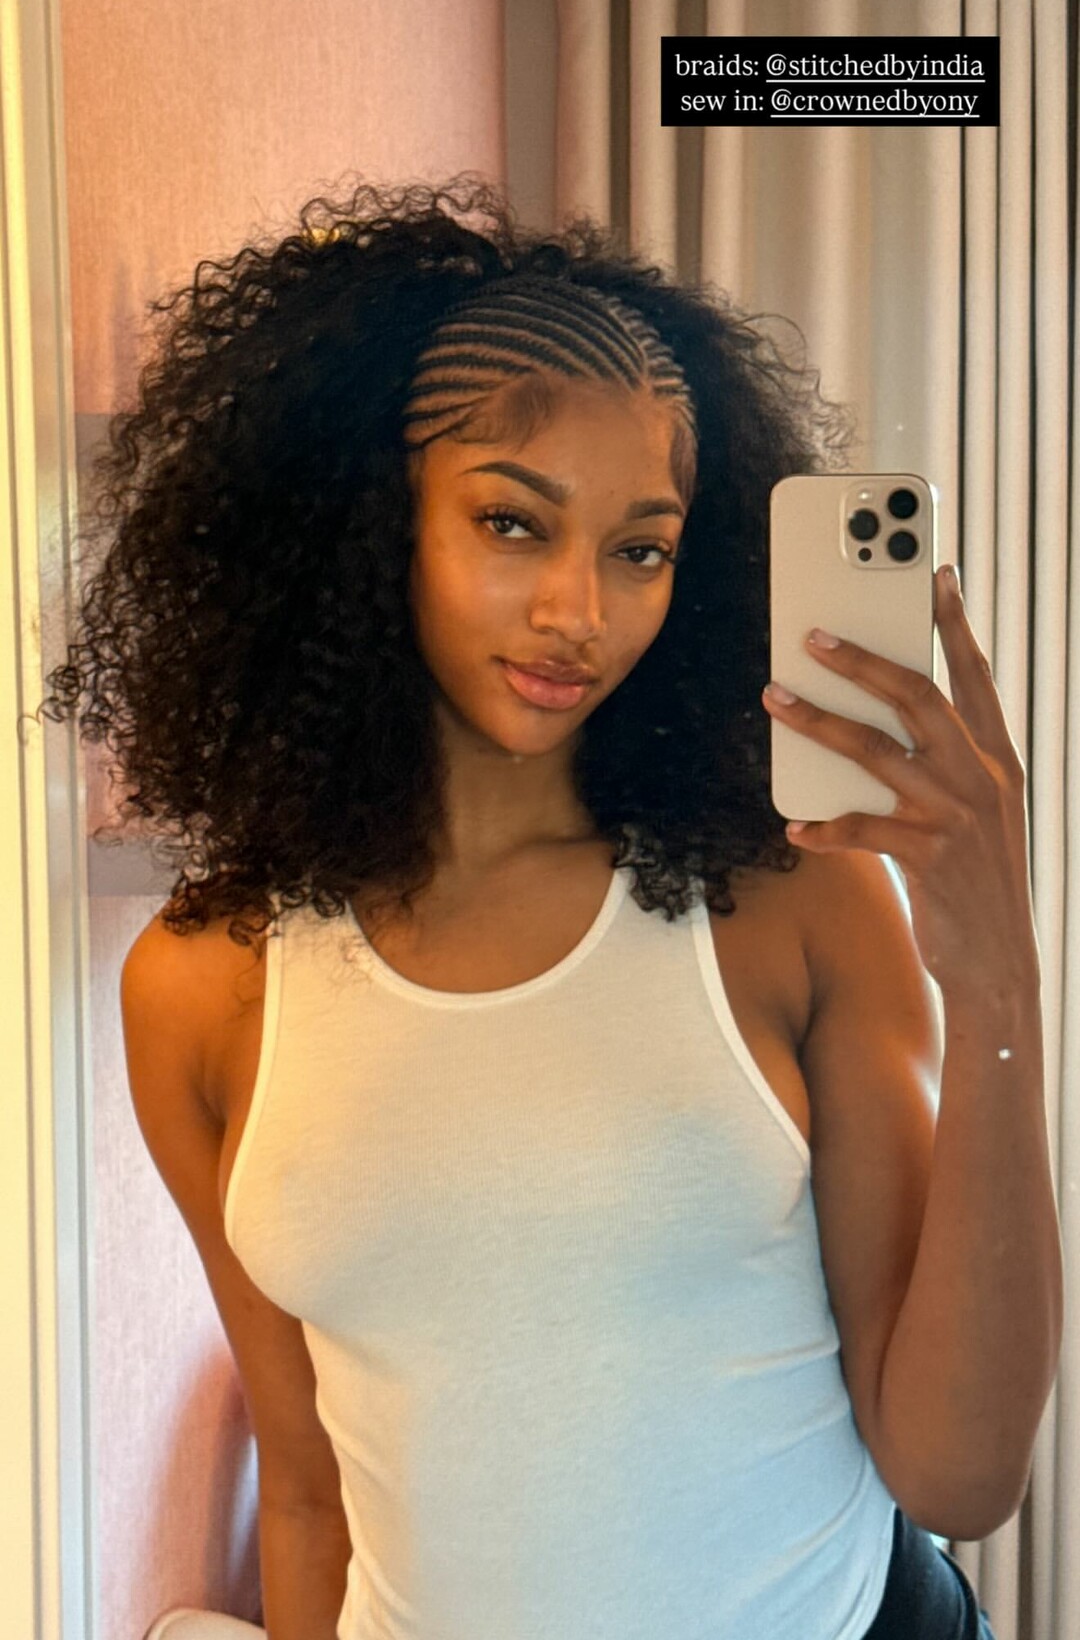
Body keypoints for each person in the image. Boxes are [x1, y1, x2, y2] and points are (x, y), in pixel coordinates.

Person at [42, 176, 1059, 1639]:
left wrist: (1000, 984)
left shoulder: (792, 903)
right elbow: (311, 1487)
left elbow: (959, 1473)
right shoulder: (205, 982)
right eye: (514, 523)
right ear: (362, 527)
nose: (581, 611)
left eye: (641, 548)